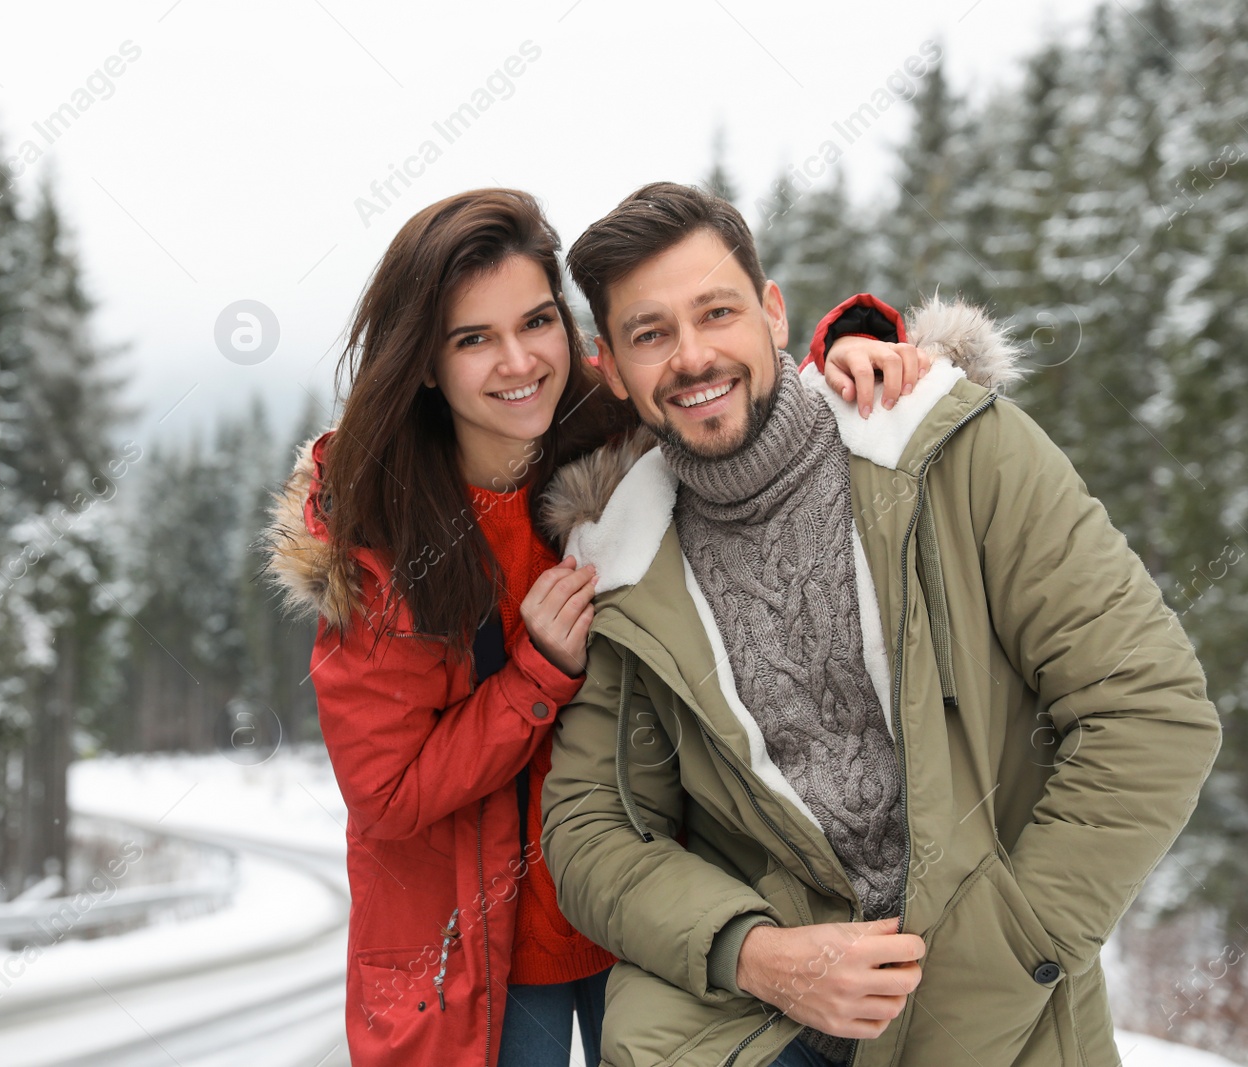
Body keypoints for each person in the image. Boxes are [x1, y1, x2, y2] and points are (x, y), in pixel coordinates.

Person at [538, 181, 1221, 1067]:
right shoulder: (624, 565)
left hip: (997, 1019)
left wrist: (1001, 957)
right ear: (610, 362)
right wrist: (750, 952)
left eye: (717, 312)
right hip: (757, 1027)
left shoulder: (955, 452)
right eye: (651, 333)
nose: (693, 356)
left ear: (773, 311)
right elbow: (589, 828)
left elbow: (1153, 712)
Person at [262, 187, 945, 1067]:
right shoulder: (384, 546)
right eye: (473, 338)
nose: (518, 361)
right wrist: (533, 676)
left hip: (655, 915)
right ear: (425, 363)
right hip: (489, 958)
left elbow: (724, 385)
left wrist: (851, 342)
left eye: (537, 321)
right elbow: (387, 796)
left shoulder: (613, 436)